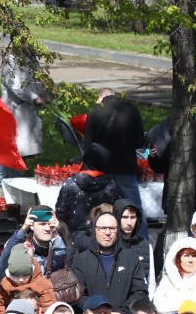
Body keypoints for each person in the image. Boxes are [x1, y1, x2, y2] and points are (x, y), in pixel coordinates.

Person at [83, 88, 148, 226]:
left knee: (101, 210)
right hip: (126, 167)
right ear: (115, 96)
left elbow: (88, 145)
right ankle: (142, 242)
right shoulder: (131, 110)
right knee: (133, 208)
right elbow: (140, 142)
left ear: (100, 99)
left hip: (101, 170)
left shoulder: (95, 111)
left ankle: (102, 240)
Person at [0, 49, 44, 195]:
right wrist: (35, 97)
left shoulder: (31, 59)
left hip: (26, 114)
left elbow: (39, 79)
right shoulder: (11, 61)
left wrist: (43, 92)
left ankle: (14, 189)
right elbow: (16, 86)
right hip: (13, 113)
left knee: (19, 155)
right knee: (8, 152)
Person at [55, 144, 124, 240]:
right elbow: (119, 211)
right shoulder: (111, 185)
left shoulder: (70, 184)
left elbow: (60, 214)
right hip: (105, 237)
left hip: (75, 238)